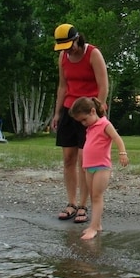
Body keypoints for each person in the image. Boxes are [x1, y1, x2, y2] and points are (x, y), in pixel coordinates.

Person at [52, 24, 109, 224]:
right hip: (69, 110)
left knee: (86, 161)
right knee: (68, 159)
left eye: (70, 45)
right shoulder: (63, 58)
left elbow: (103, 86)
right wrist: (57, 113)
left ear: (78, 39)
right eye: (64, 47)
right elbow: (62, 86)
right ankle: (71, 203)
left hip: (89, 113)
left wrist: (98, 113)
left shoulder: (93, 54)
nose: (68, 50)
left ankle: (84, 205)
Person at [69, 97, 129, 240]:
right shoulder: (90, 127)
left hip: (102, 167)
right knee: (92, 195)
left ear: (93, 111)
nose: (83, 124)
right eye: (80, 122)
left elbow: (117, 138)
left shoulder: (104, 124)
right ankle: (98, 224)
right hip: (89, 167)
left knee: (97, 196)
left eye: (84, 119)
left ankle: (94, 226)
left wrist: (122, 153)